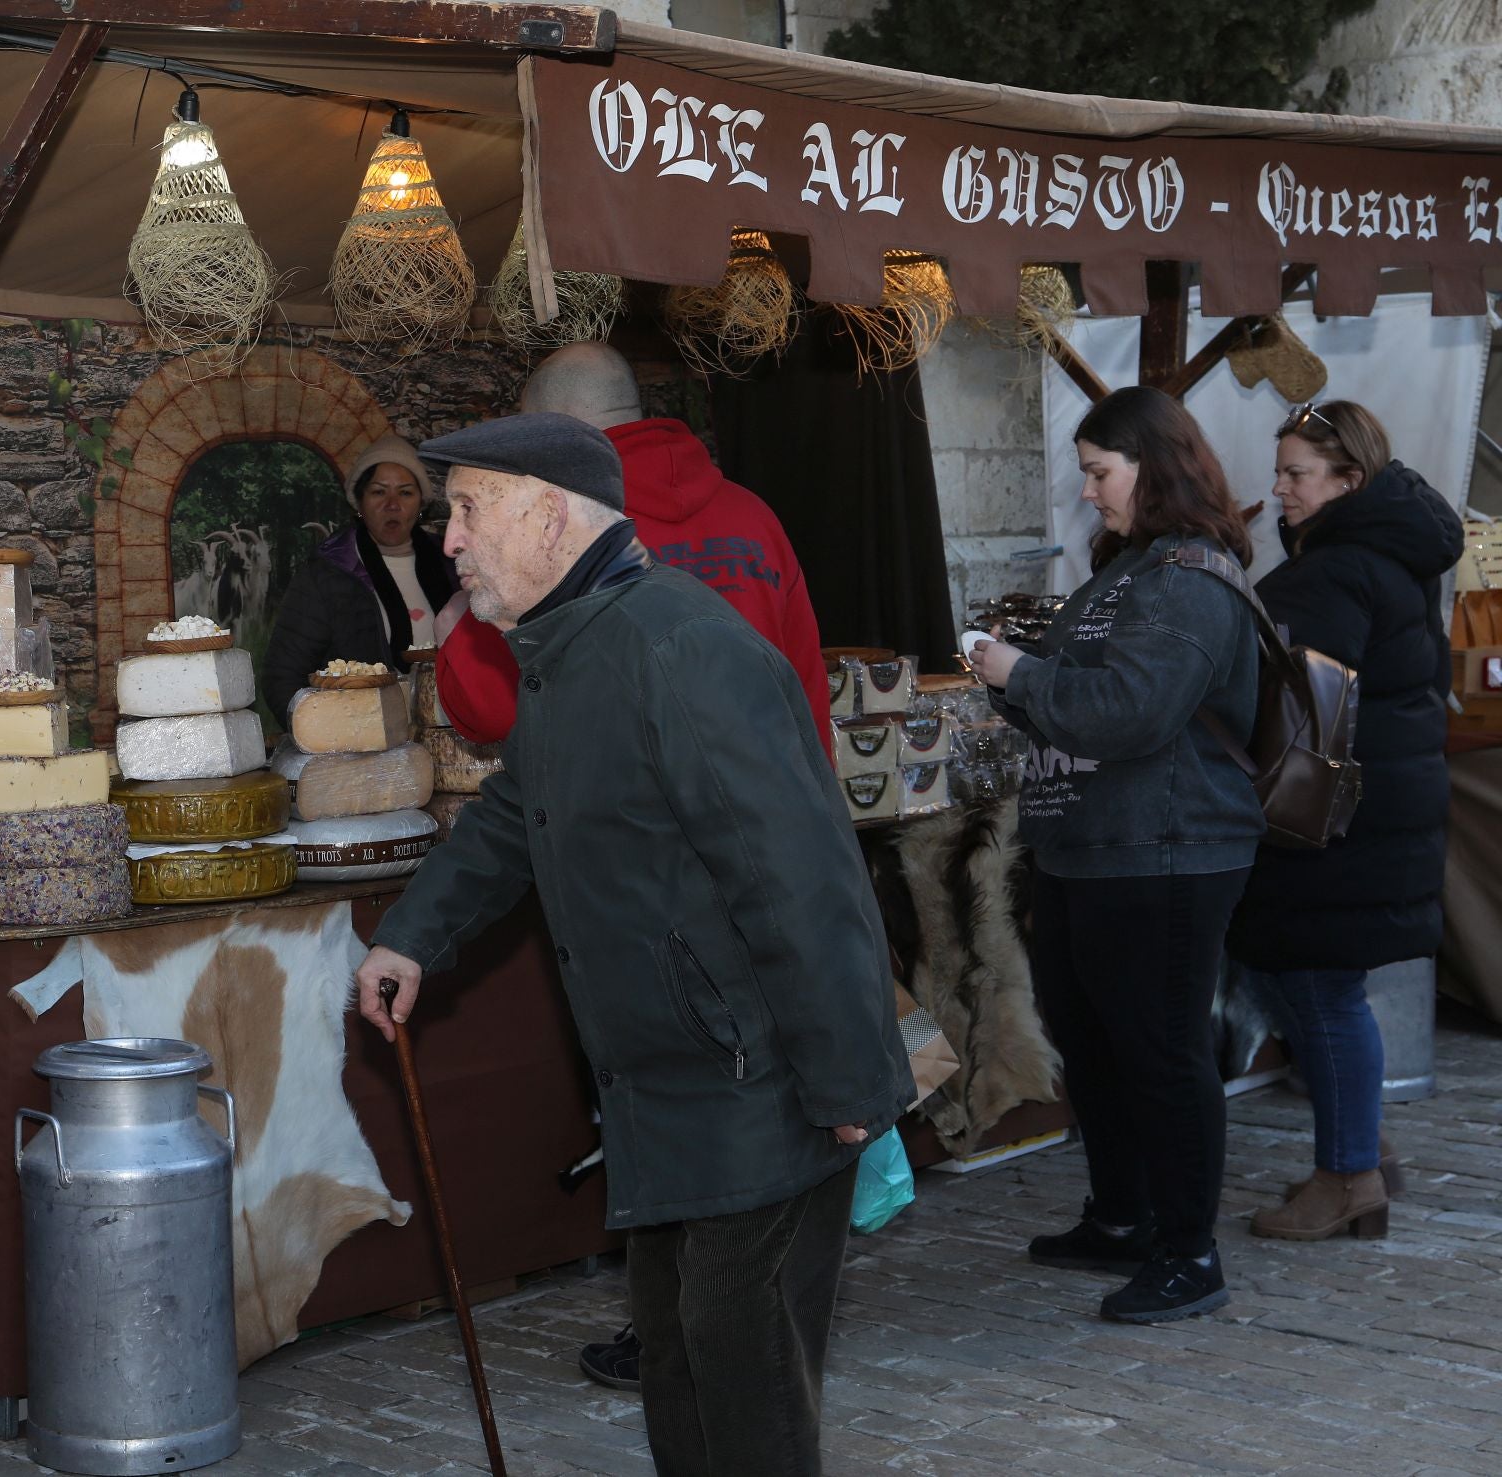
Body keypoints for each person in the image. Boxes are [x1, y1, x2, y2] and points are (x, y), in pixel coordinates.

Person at [353, 413, 911, 1477]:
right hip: (669, 1082)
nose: (450, 540)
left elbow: (802, 876)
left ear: (550, 513)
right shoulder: (574, 649)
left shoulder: (680, 647)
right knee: (677, 1353)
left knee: (744, 1381)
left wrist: (850, 1082)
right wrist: (413, 938)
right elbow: (525, 810)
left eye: (468, 509)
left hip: (762, 1081)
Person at [969, 386, 1262, 1324]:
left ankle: (1189, 1253)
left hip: (1167, 847)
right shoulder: (1130, 569)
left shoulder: (1191, 576)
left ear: (1156, 465)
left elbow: (1130, 711)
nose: (1089, 492)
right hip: (1091, 844)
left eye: (1100, 473)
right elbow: (1080, 695)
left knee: (1161, 1052)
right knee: (1093, 1044)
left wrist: (1020, 671)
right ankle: (1124, 1215)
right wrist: (1009, 676)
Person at [1227, 401, 1462, 1242]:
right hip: (1373, 816)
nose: (1280, 488)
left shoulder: (1331, 572)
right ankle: (1362, 1143)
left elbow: (1295, 715)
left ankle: (1349, 1177)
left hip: (1329, 825)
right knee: (1315, 989)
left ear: (1348, 482)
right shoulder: (1385, 558)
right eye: (1281, 468)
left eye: (1297, 473)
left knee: (1319, 993)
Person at [435, 342, 830, 760]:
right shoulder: (754, 516)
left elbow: (495, 711)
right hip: (765, 795)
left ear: (551, 428)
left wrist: (454, 635)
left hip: (632, 812)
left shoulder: (558, 530)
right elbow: (805, 679)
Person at [263, 433, 457, 723]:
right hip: (363, 743)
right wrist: (327, 735)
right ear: (359, 503)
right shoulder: (328, 574)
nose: (392, 504)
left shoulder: (454, 566)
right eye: (379, 492)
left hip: (452, 736)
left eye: (405, 492)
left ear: (421, 504)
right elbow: (283, 676)